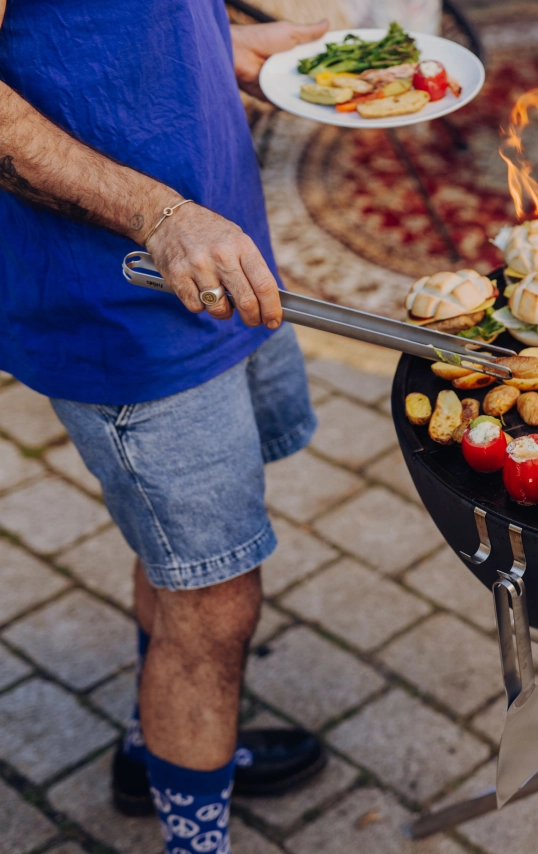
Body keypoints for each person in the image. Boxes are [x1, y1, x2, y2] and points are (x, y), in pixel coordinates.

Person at [0, 3, 331, 851]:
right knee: (216, 600)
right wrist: (161, 217)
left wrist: (216, 49)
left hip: (219, 245)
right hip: (128, 283)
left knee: (182, 558)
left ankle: (159, 751)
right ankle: (195, 833)